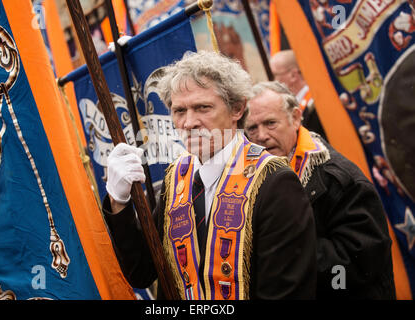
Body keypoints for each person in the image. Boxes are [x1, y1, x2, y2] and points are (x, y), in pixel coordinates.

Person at [103, 51, 317, 300]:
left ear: (237, 109)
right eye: (179, 110)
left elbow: (285, 293)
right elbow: (141, 272)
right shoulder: (176, 178)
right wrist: (119, 201)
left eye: (202, 107)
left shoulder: (275, 180)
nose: (189, 122)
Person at [244, 81, 396, 299]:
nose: (261, 136)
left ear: (295, 118)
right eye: (252, 128)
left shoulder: (339, 179)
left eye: (270, 123)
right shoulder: (252, 174)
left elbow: (358, 266)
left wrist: (282, 251)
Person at [270, 50, 327, 140]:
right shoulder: (296, 104)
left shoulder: (318, 103)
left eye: (275, 75)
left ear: (293, 75)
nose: (274, 81)